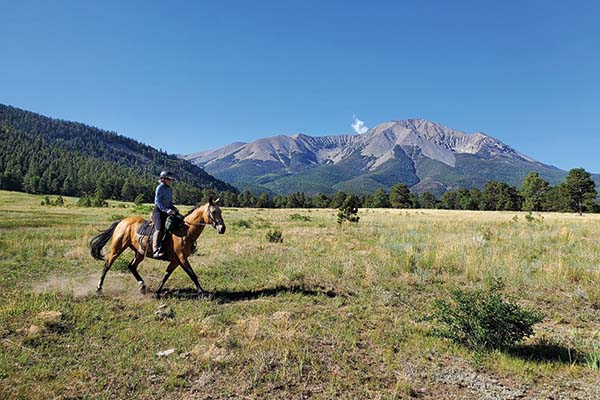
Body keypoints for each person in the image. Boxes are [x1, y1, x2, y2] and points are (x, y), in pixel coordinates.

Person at [152, 171, 178, 258]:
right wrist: (166, 210)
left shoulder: (170, 189)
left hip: (167, 211)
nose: (170, 181)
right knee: (160, 229)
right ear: (163, 179)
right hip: (158, 212)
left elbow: (170, 203)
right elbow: (157, 202)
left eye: (171, 179)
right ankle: (155, 250)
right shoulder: (160, 188)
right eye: (168, 179)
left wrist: (174, 209)